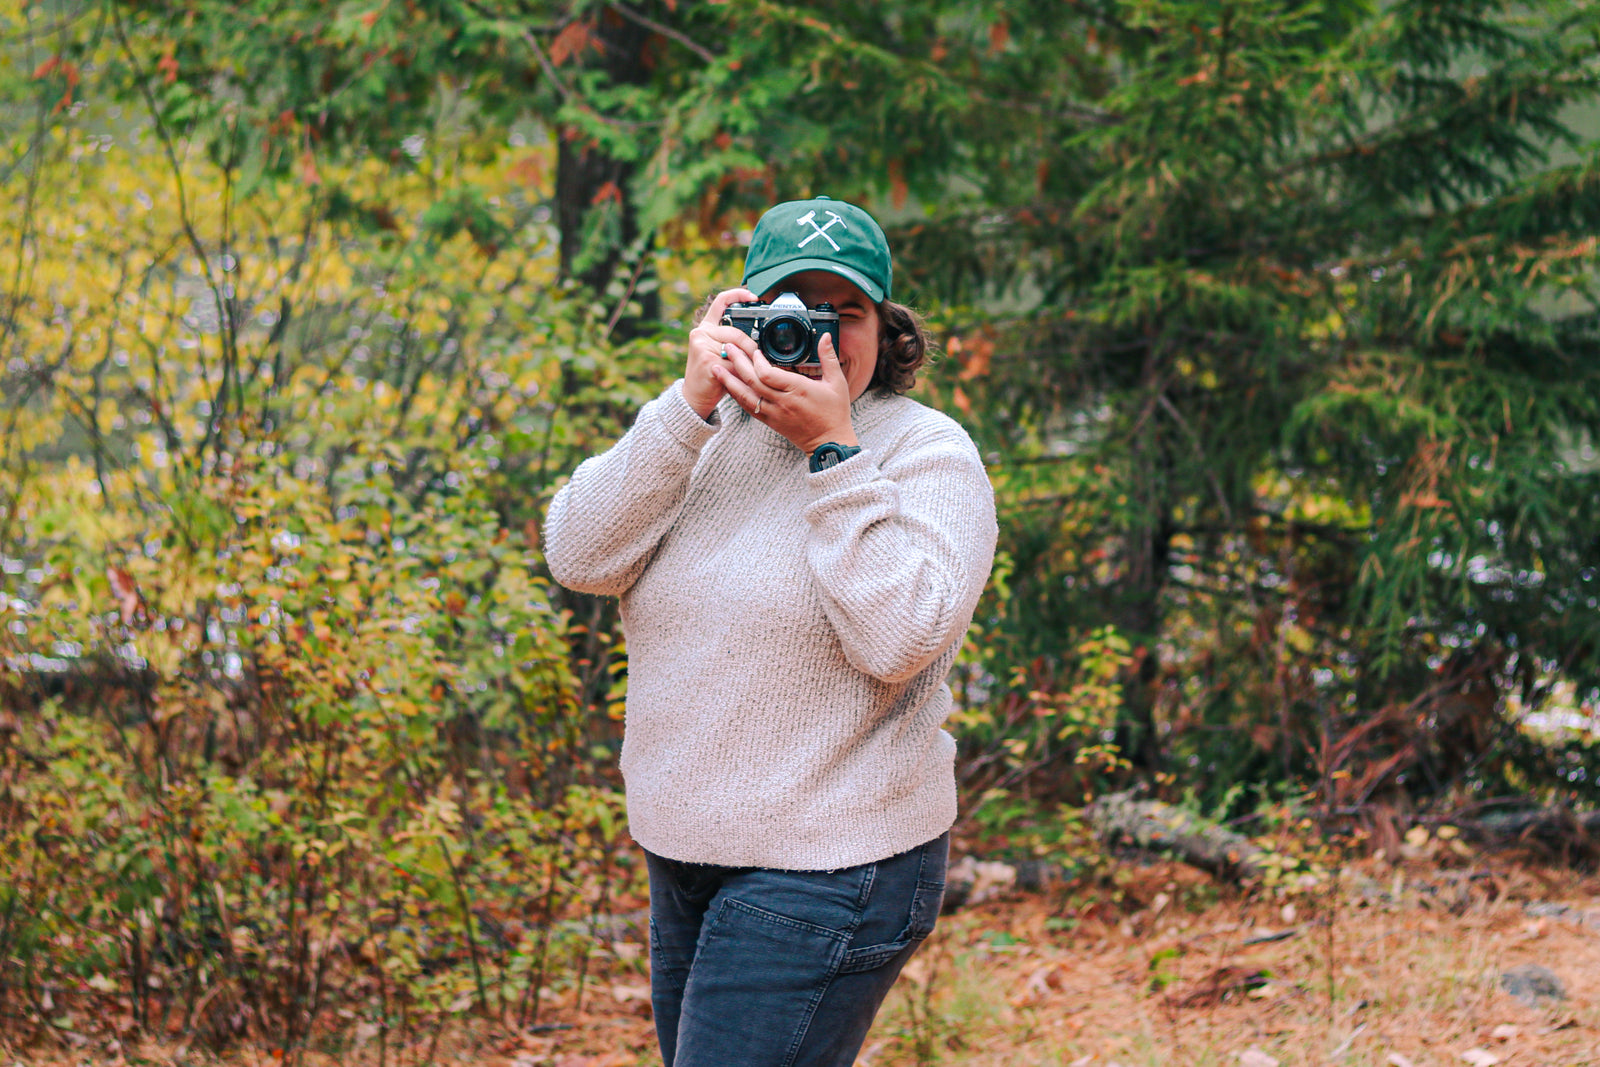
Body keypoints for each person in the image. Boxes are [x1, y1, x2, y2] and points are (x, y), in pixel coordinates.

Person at [542, 196, 997, 1067]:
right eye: (794, 310)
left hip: (836, 859)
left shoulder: (927, 452)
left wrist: (834, 453)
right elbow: (579, 554)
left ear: (885, 328)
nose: (818, 333)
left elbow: (900, 641)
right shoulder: (700, 433)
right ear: (742, 316)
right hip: (686, 853)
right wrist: (686, 405)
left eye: (845, 311)